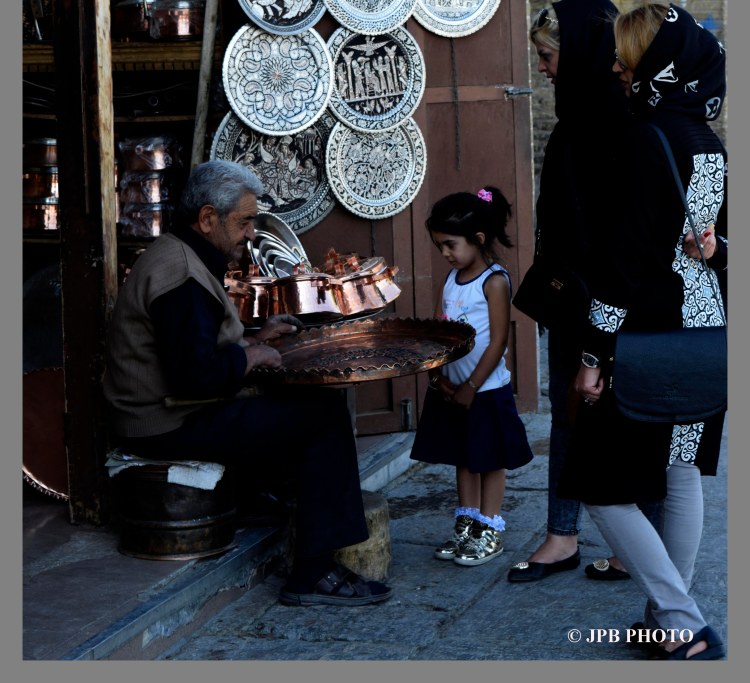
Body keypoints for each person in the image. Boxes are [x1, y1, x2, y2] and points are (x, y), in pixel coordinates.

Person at [102, 159, 392, 608]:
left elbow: (195, 349)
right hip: (163, 423)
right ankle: (313, 571)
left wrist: (254, 339)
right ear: (207, 218)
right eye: (244, 222)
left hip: (171, 410)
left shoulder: (181, 254)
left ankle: (262, 500)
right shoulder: (179, 274)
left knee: (298, 398)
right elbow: (195, 376)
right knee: (323, 416)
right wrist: (250, 355)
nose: (251, 234)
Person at [558, 1, 727, 660]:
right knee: (681, 473)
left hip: (650, 334)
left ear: (655, 65)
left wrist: (594, 353)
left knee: (599, 485)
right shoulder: (707, 140)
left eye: (628, 60)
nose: (619, 71)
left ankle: (681, 621)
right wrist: (713, 249)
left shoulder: (641, 139)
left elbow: (622, 265)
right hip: (703, 328)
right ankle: (667, 616)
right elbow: (720, 242)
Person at [508, 0, 662, 584]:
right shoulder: (577, 120)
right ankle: (561, 534)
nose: (543, 70)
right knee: (570, 413)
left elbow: (623, 226)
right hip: (572, 297)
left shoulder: (624, 125)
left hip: (614, 296)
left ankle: (633, 542)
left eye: (548, 58)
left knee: (626, 414)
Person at [410, 186, 533, 566]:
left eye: (450, 245)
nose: (445, 253)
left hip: (485, 390)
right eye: (440, 246)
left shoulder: (494, 280)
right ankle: (467, 525)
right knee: (463, 457)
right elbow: (440, 331)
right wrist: (437, 378)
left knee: (489, 460)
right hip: (453, 388)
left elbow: (497, 342)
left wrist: (472, 386)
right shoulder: (451, 278)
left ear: (478, 240)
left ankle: (490, 529)